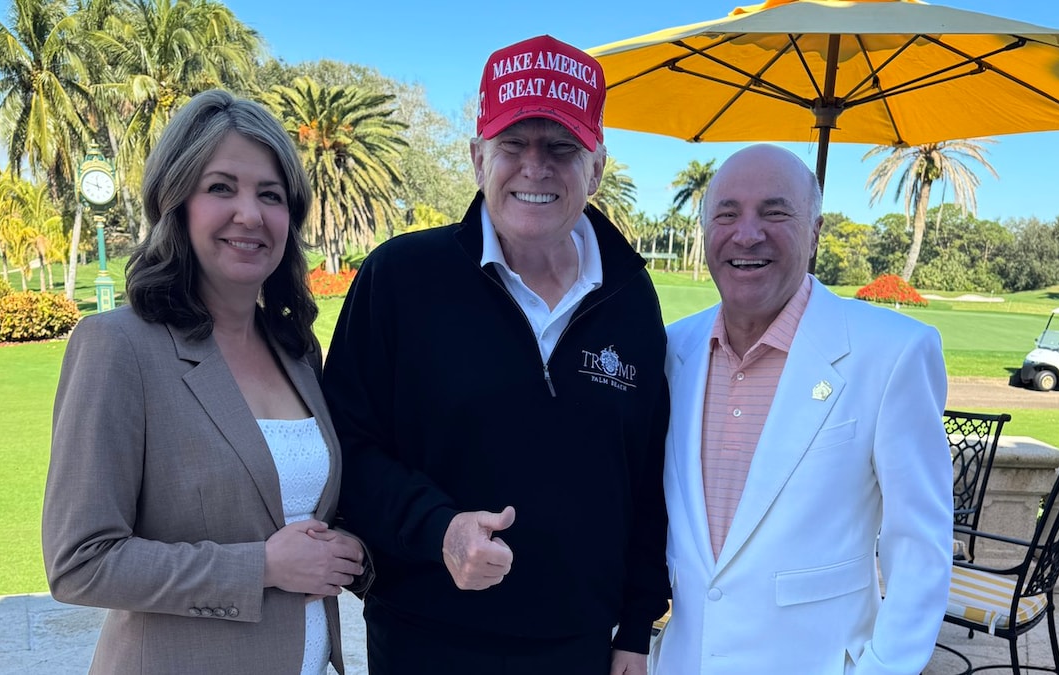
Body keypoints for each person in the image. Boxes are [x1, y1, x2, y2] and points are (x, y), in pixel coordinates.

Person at [321, 34, 670, 675]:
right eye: (513, 144)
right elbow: (348, 448)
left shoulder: (630, 295)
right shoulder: (400, 278)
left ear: (595, 167)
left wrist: (636, 627)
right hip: (425, 638)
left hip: (581, 648)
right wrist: (441, 530)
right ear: (478, 157)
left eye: (561, 147)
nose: (535, 167)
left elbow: (647, 477)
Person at [42, 89, 369, 675]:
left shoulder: (296, 352)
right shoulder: (118, 348)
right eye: (221, 188)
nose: (250, 214)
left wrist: (352, 551)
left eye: (270, 195)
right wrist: (262, 568)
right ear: (177, 202)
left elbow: (299, 513)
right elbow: (80, 563)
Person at [651, 144, 952, 674]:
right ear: (706, 230)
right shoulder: (672, 350)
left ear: (814, 231)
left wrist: (885, 668)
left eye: (775, 212)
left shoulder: (893, 352)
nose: (747, 233)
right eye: (727, 213)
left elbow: (920, 546)